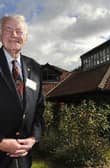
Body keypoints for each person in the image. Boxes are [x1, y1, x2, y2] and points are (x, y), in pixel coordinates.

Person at [0, 14, 45, 168]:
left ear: (25, 37)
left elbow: (39, 108)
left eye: (19, 31)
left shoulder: (35, 68)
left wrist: (33, 137)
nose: (14, 35)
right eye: (8, 30)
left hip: (25, 160)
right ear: (0, 34)